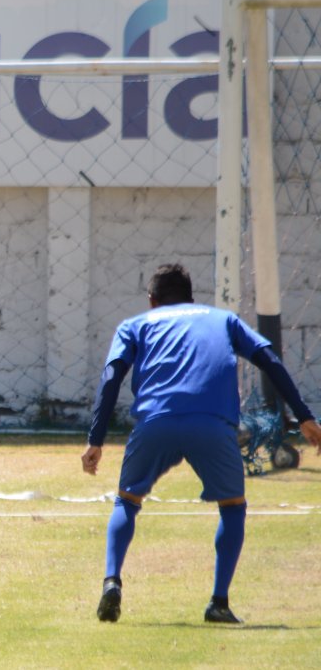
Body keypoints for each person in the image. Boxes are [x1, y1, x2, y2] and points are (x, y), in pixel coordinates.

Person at [83, 263, 321, 624]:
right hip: (213, 425)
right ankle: (219, 603)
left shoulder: (135, 325)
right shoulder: (223, 320)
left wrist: (95, 440)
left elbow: (111, 376)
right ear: (192, 298)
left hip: (156, 422)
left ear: (152, 300)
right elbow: (269, 360)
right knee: (232, 506)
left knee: (128, 500)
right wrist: (303, 415)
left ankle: (112, 580)